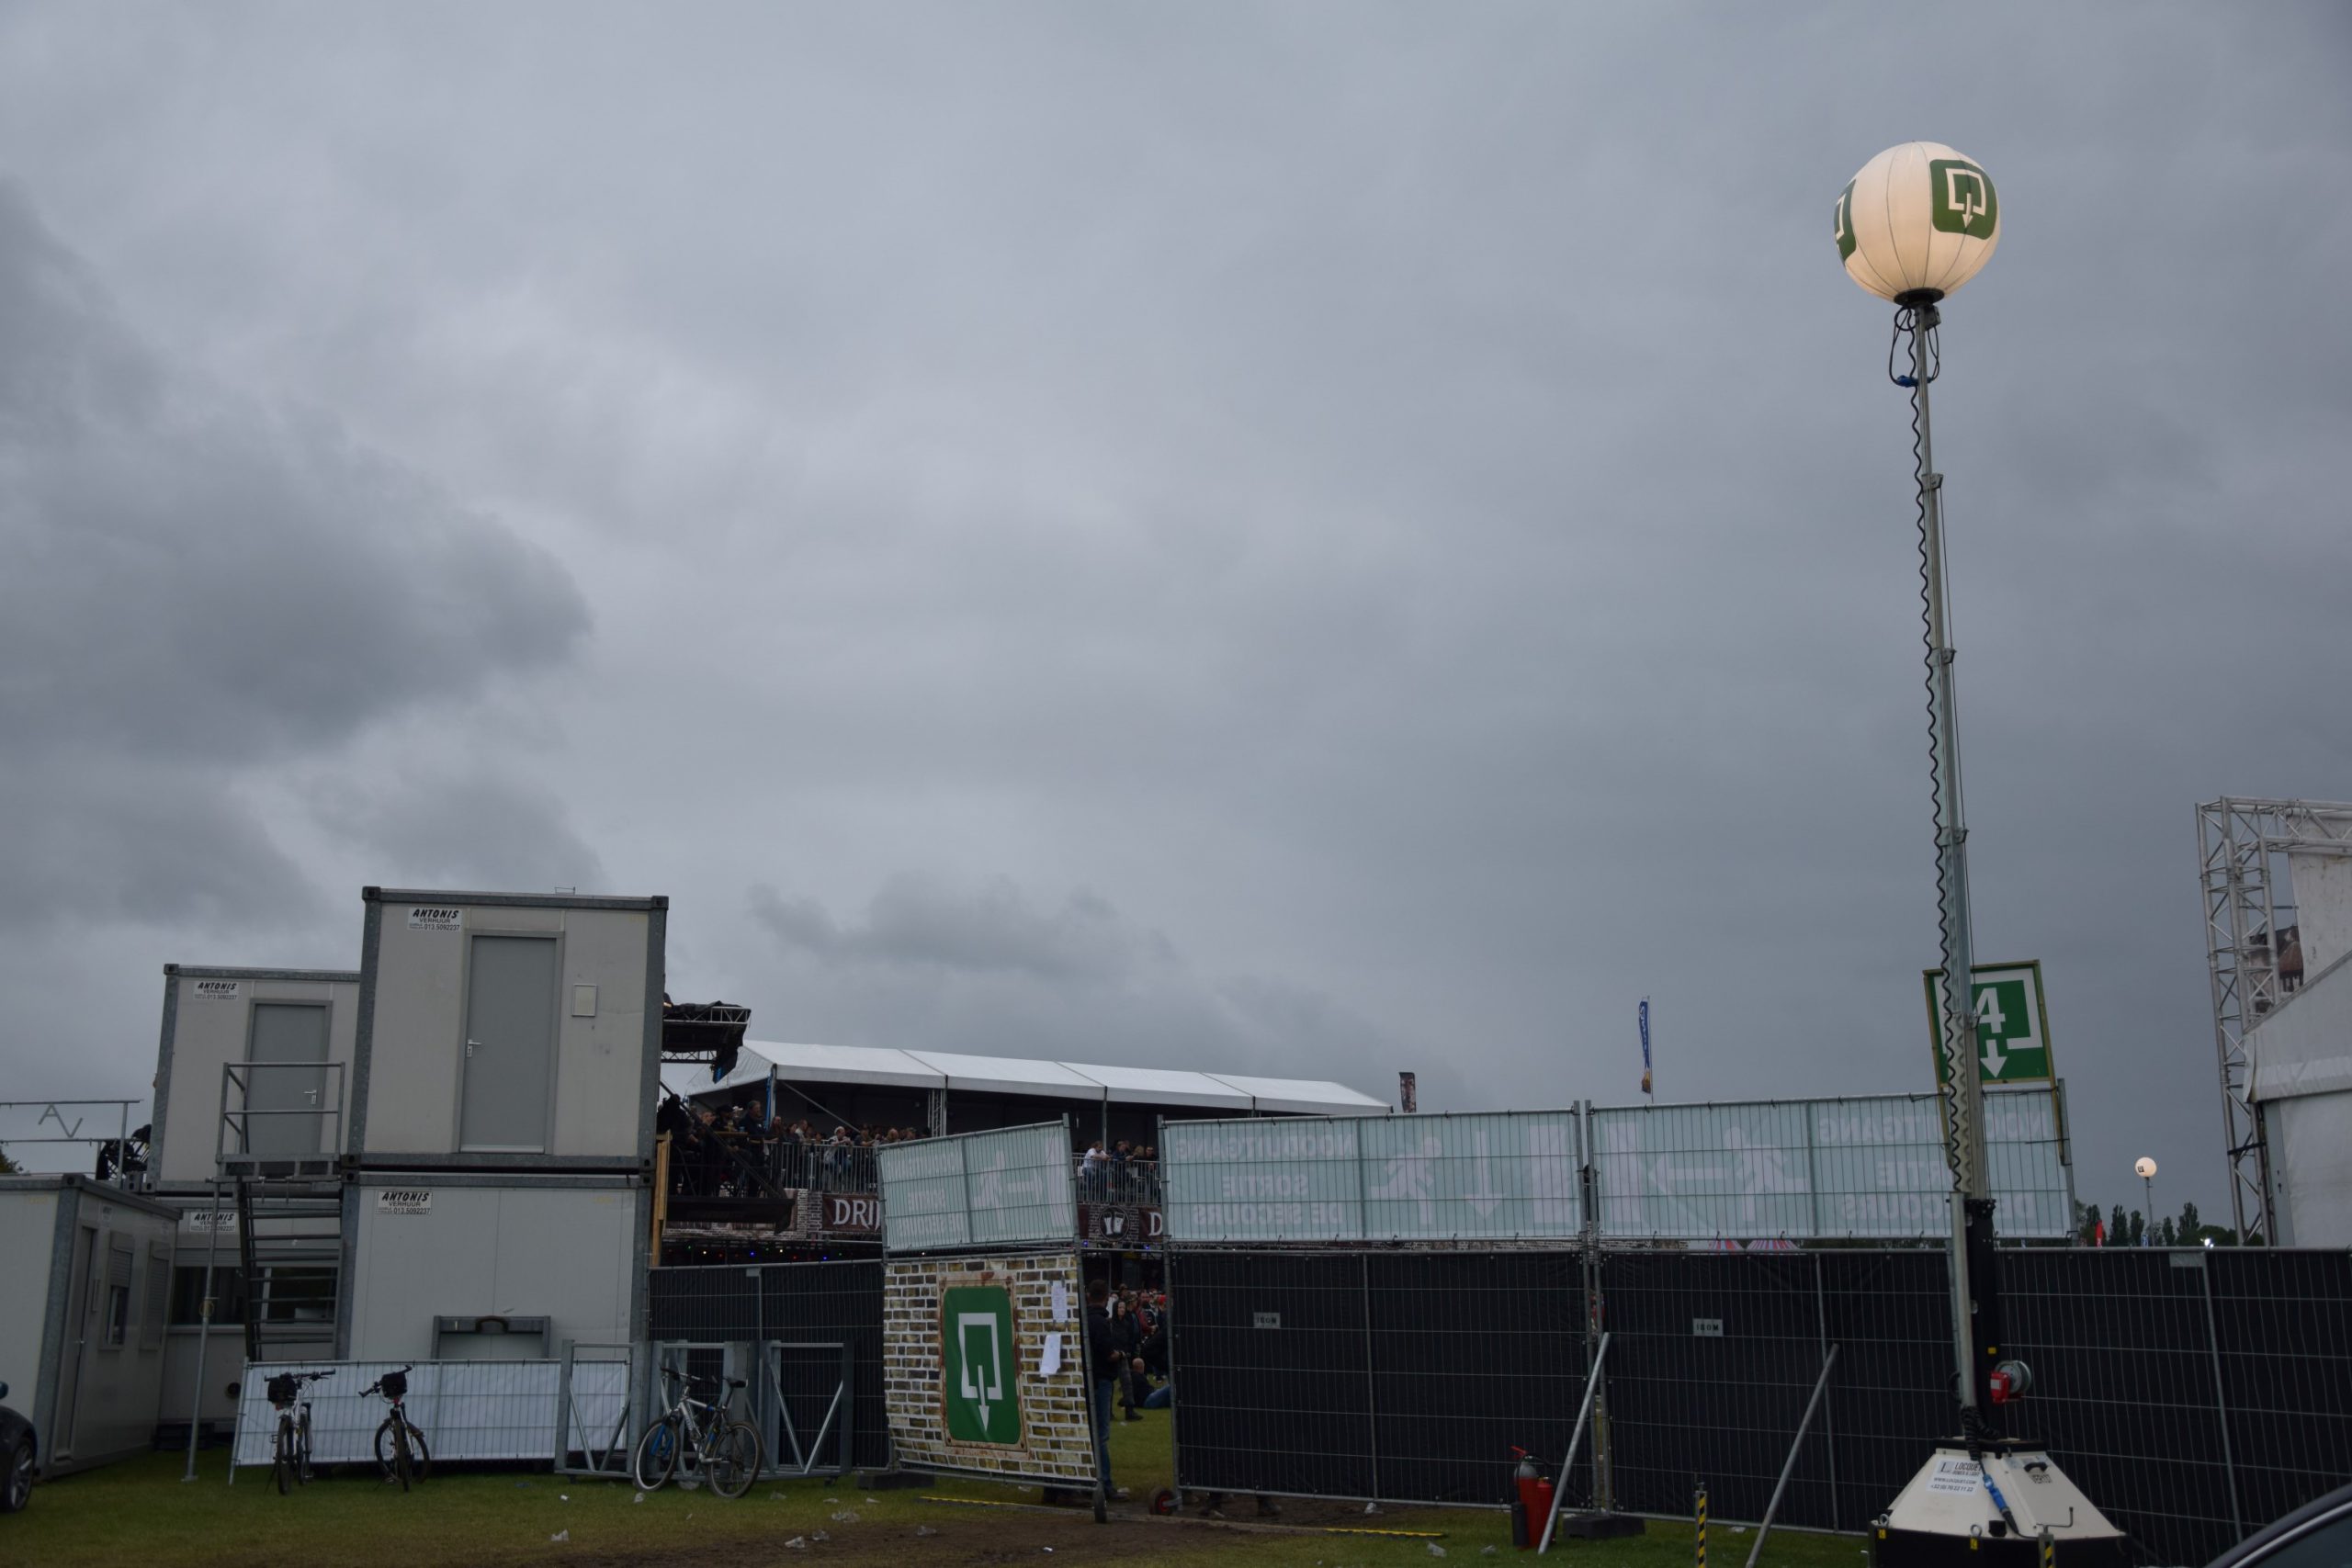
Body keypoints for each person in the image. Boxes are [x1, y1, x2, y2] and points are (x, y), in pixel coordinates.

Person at [1083, 1280, 1129, 1500]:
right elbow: (1107, 1353)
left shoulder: (1083, 1320)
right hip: (1101, 1379)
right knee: (1101, 1434)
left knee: (1090, 1433)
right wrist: (1120, 1355)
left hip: (1086, 1379)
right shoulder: (1101, 1323)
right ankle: (1106, 1484)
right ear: (1106, 1298)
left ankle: (1088, 1480)